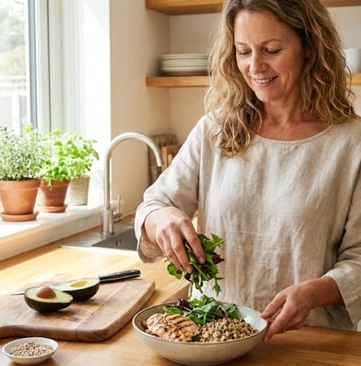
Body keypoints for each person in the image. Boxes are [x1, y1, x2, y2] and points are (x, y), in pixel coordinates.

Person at [134, 0, 361, 341]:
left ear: (309, 49)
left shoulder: (350, 143)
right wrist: (160, 218)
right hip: (210, 337)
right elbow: (153, 205)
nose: (255, 66)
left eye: (271, 49)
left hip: (306, 340)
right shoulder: (215, 131)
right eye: (243, 51)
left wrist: (318, 290)